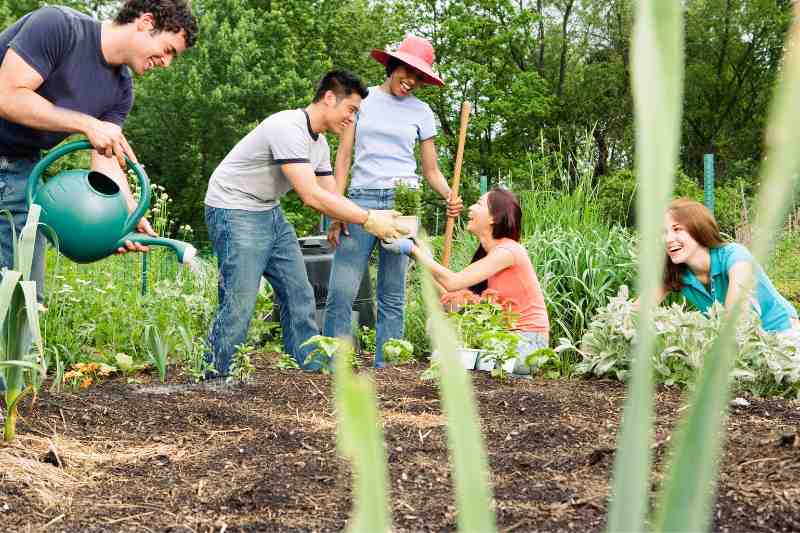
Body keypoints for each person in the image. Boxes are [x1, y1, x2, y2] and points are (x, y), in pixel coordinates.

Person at [203, 70, 411, 377]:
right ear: (329, 98)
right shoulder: (287, 127)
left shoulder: (320, 145)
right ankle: (215, 377)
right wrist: (368, 219)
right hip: (234, 208)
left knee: (299, 292)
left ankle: (309, 367)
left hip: (268, 211)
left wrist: (347, 217)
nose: (352, 119)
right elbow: (311, 196)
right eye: (350, 110)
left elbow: (330, 194)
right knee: (240, 301)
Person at [0, 1, 198, 301]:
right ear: (146, 22)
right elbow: (7, 95)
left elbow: (105, 159)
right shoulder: (58, 26)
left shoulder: (121, 90)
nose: (167, 63)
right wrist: (87, 124)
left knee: (23, 298)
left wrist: (129, 215)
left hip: (20, 172)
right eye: (168, 50)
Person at [323, 36, 462, 367]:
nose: (410, 81)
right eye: (406, 72)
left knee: (392, 292)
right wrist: (335, 207)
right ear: (392, 66)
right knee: (342, 288)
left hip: (404, 202)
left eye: (418, 77)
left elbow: (430, 170)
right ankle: (333, 363)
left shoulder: (422, 112)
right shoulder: (364, 101)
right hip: (361, 201)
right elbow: (343, 158)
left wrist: (449, 195)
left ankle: (389, 367)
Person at [383, 188, 550, 375]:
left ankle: (512, 377)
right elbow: (454, 300)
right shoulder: (489, 255)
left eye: (478, 204)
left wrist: (414, 250)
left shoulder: (508, 252)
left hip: (527, 345)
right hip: (502, 341)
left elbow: (453, 282)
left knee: (449, 359)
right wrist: (421, 256)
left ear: (494, 217)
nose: (470, 208)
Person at [657, 197, 799, 334]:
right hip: (743, 343)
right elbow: (637, 310)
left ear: (698, 229)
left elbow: (735, 316)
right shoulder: (676, 272)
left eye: (677, 229)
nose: (668, 239)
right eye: (664, 232)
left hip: (783, 335)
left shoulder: (735, 256)